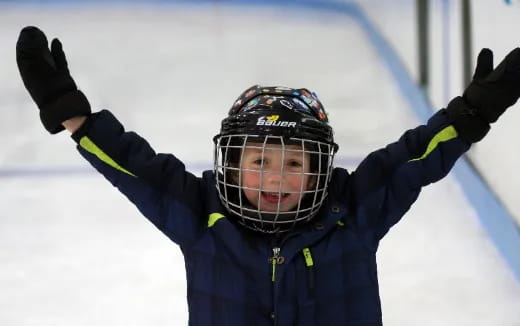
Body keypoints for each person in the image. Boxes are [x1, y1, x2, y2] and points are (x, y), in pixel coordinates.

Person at [16, 26, 520, 326]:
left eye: (295, 164)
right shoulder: (200, 215)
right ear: (232, 164)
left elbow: (412, 160)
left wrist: (471, 114)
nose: (276, 178)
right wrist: (73, 117)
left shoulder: (353, 211)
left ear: (320, 169)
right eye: (259, 161)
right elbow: (137, 168)